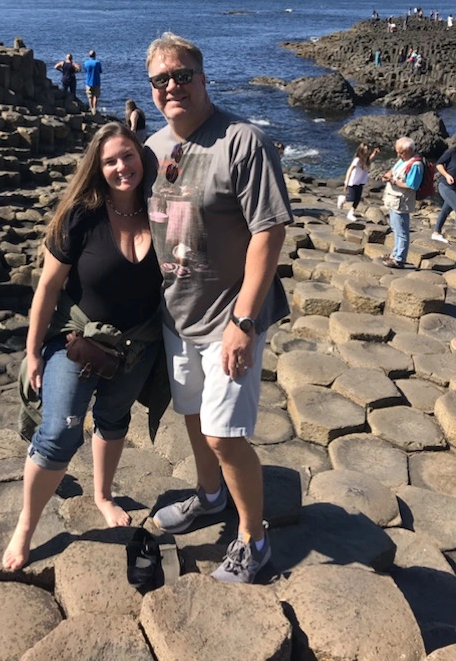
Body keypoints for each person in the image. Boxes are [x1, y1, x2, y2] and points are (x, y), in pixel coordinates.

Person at [144, 32, 292, 584]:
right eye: (161, 80)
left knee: (224, 435)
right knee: (191, 415)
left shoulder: (242, 141)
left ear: (204, 79)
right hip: (175, 315)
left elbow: (269, 232)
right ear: (152, 90)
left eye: (182, 75)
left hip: (230, 317)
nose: (172, 86)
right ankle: (210, 498)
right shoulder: (154, 148)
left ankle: (254, 540)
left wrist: (245, 322)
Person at [2, 122, 163, 571]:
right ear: (98, 167)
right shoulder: (81, 216)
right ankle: (26, 526)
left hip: (139, 345)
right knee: (59, 431)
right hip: (78, 342)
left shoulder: (159, 210)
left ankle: (102, 496)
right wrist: (33, 352)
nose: (120, 167)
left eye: (127, 156)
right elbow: (47, 289)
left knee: (113, 419)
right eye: (110, 160)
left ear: (141, 158)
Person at [381, 137, 423, 269]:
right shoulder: (403, 160)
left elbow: (413, 185)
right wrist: (387, 175)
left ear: (410, 150)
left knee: (402, 231)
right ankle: (395, 254)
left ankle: (399, 259)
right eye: (397, 152)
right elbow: (393, 171)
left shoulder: (416, 165)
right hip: (393, 200)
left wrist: (393, 181)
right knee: (395, 228)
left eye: (401, 152)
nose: (398, 155)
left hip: (402, 202)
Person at [432, 132, 456, 249]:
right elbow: (439, 164)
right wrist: (446, 175)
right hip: (446, 187)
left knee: (446, 209)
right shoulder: (453, 152)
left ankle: (436, 232)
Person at [337, 143, 379, 221]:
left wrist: (374, 154)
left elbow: (370, 158)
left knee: (357, 198)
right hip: (353, 181)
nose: (368, 151)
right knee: (351, 197)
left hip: (360, 181)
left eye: (368, 150)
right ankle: (342, 198)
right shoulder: (357, 160)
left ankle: (351, 213)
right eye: (366, 150)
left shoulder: (366, 160)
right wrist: (346, 181)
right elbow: (350, 169)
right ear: (362, 151)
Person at [84, 50, 102, 115]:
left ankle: (91, 108)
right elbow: (100, 71)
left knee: (90, 96)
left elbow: (85, 70)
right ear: (95, 55)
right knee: (95, 96)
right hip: (96, 81)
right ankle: (94, 108)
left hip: (88, 82)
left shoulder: (86, 63)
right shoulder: (97, 62)